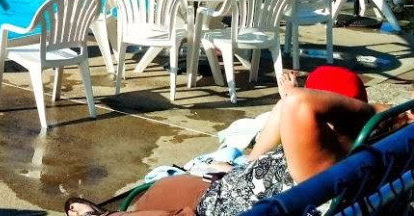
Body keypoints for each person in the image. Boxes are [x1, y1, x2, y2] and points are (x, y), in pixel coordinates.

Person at [64, 66, 411, 216]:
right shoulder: (370, 153)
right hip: (222, 191)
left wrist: (370, 108)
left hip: (212, 211)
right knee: (155, 195)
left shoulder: (321, 171)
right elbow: (289, 107)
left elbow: (296, 106)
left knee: (141, 202)